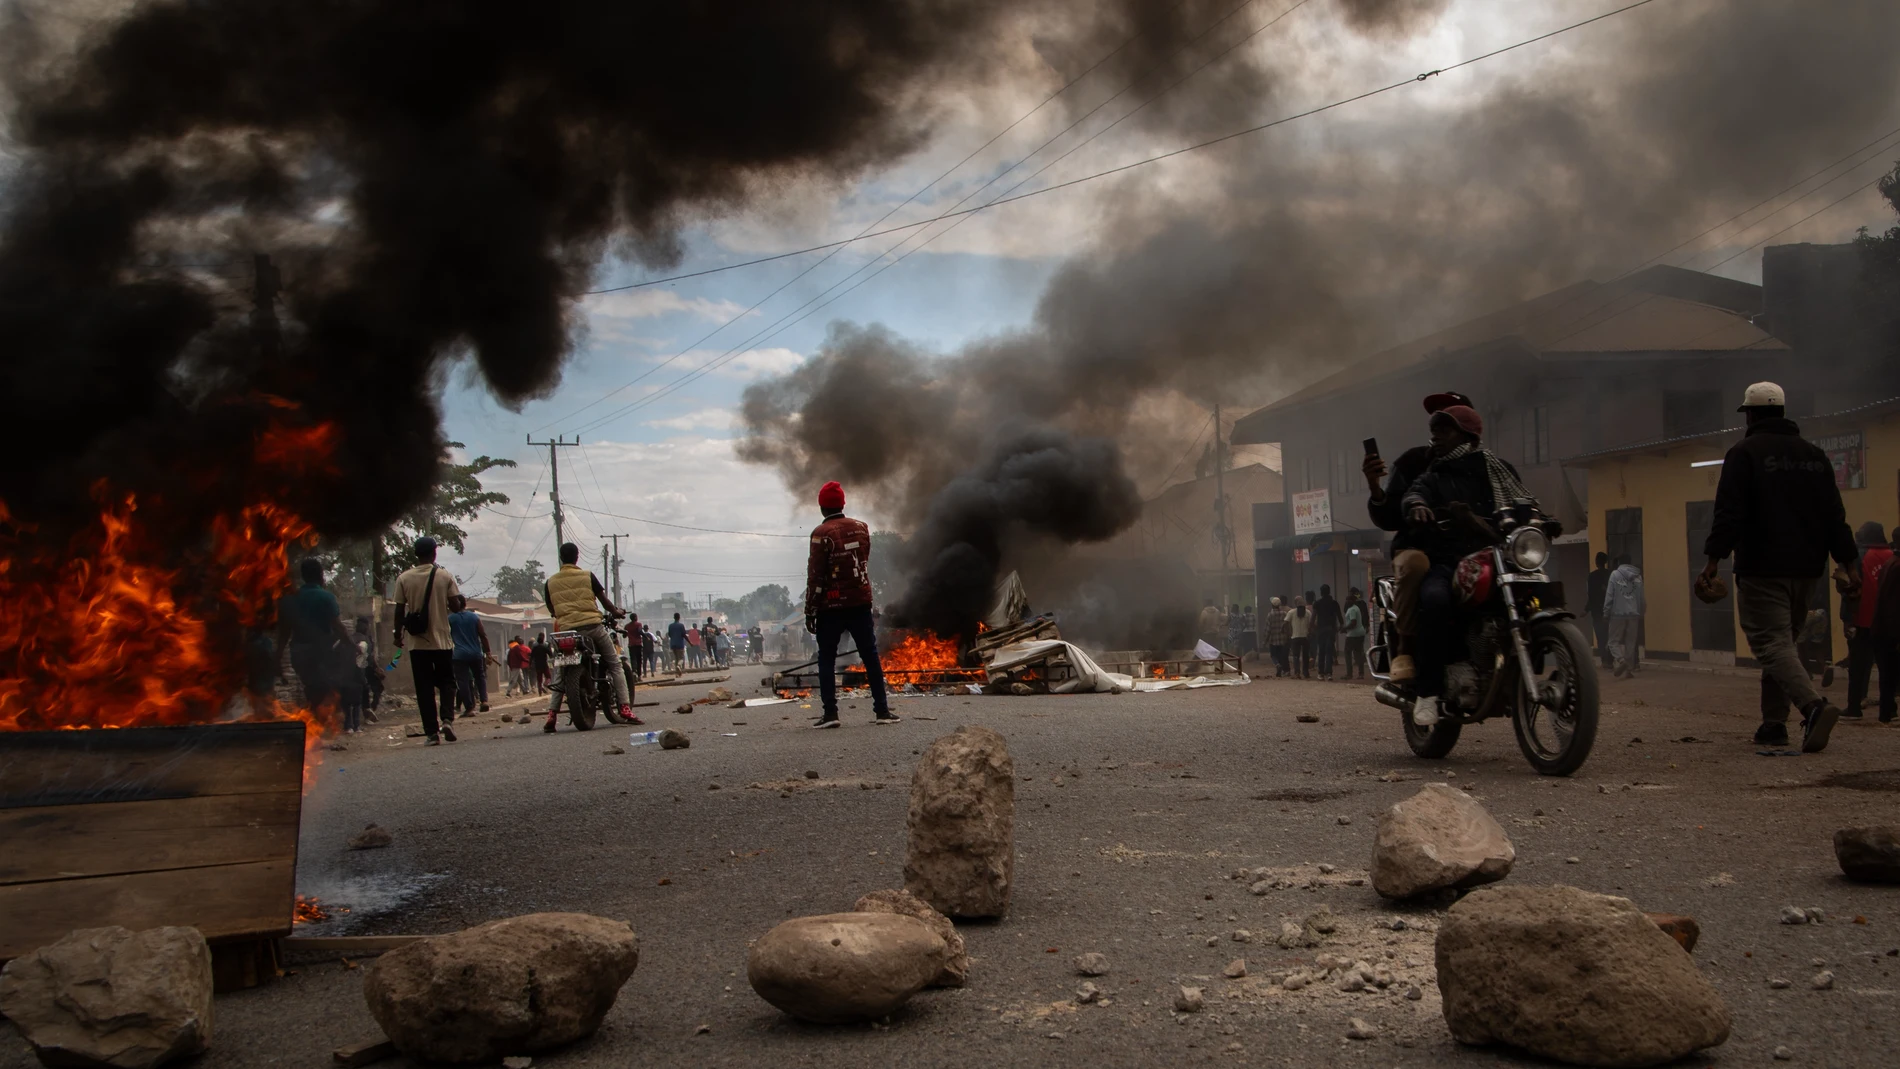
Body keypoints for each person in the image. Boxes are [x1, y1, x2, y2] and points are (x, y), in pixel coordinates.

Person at [1699, 381, 1859, 753]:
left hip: (1761, 568)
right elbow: (1835, 517)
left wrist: (1712, 561)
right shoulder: (1816, 456)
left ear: (1751, 415)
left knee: (1771, 644)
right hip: (1808, 570)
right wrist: (1850, 565)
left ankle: (1813, 707)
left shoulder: (1743, 453)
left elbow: (1729, 513)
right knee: (1784, 644)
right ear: (1783, 413)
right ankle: (1773, 724)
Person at [1401, 403, 1536, 713]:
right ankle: (1428, 693)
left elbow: (1523, 501)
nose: (1435, 438)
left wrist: (1543, 518)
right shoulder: (1434, 476)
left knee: (1534, 595)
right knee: (1435, 600)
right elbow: (1415, 492)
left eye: (1444, 431)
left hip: (1500, 557)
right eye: (1433, 432)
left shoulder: (1500, 470)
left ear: (1468, 436)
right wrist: (1417, 505)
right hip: (1448, 561)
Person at [1363, 390, 1474, 683]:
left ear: (1468, 428)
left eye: (1451, 418)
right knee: (1418, 570)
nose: (1439, 429)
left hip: (1472, 552)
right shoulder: (1416, 464)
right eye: (1437, 420)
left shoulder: (1487, 467)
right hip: (1424, 550)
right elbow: (1391, 515)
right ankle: (1406, 652)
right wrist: (1375, 488)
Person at [806, 480, 897, 727]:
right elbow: (862, 560)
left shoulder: (820, 534)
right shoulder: (861, 528)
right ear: (842, 503)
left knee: (827, 658)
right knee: (870, 655)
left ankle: (831, 714)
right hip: (860, 602)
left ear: (822, 507)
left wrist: (810, 610)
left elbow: (816, 576)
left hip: (830, 608)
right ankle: (882, 712)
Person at [541, 542, 633, 732]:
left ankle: (551, 714)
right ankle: (624, 708)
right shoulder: (586, 576)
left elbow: (552, 609)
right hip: (592, 627)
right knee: (615, 663)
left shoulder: (550, 582)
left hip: (566, 631)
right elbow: (604, 602)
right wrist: (616, 612)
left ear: (560, 558)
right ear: (577, 557)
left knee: (560, 670)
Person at [391, 537, 461, 745]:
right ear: (434, 553)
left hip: (417, 643)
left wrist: (397, 636)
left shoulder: (404, 578)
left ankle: (431, 733)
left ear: (416, 554)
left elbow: (398, 609)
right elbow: (456, 606)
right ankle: (447, 719)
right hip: (441, 641)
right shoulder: (444, 576)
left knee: (424, 688)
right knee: (448, 682)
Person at [276, 556, 353, 715]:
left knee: (312, 688)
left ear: (303, 576)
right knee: (327, 689)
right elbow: (338, 627)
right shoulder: (326, 597)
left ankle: (314, 722)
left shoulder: (290, 599)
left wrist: (277, 659)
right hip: (322, 654)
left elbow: (284, 634)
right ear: (320, 575)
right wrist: (353, 646)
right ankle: (320, 723)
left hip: (299, 654)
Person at [1842, 522, 1894, 721]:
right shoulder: (1892, 556)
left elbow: (1850, 591)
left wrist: (1847, 619)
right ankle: (1890, 710)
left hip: (1863, 621)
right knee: (1886, 667)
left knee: (1858, 667)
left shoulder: (1859, 556)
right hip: (1887, 623)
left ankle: (1854, 707)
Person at [447, 594, 492, 715]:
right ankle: (484, 701)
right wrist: (488, 652)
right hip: (476, 653)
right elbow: (483, 635)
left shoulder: (451, 619)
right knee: (480, 677)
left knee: (463, 681)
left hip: (459, 655)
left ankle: (469, 707)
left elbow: (446, 637)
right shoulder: (474, 617)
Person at [1605, 556, 1645, 678]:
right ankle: (1628, 670)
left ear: (1619, 563)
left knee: (1613, 641)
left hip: (1617, 614)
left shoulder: (1615, 574)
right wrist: (1641, 612)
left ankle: (1621, 661)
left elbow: (1610, 595)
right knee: (1631, 643)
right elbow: (1641, 598)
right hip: (1634, 614)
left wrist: (1606, 612)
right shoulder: (1638, 577)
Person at [1586, 551, 1614, 668]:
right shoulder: (1611, 574)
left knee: (1601, 638)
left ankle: (1604, 661)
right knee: (1611, 637)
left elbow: (1591, 595)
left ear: (1596, 562)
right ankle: (1611, 661)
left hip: (1597, 612)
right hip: (1611, 610)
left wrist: (1586, 609)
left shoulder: (1592, 576)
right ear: (1606, 562)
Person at [354, 618, 382, 723]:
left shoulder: (354, 638)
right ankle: (368, 711)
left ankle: (369, 710)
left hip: (358, 669)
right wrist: (376, 668)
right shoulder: (363, 639)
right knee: (368, 689)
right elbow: (368, 657)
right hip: (363, 669)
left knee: (368, 689)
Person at [1312, 585, 1342, 680]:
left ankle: (1321, 673)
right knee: (1329, 651)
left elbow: (1313, 617)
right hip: (1331, 629)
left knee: (1321, 651)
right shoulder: (1334, 603)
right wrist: (1340, 627)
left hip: (1321, 630)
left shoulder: (1317, 603)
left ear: (1321, 592)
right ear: (1329, 592)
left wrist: (1311, 627)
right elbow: (1340, 617)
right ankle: (1329, 673)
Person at [1341, 588, 1367, 680]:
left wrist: (1344, 628)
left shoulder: (1352, 609)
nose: (1347, 601)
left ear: (1353, 600)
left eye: (1349, 600)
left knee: (1347, 653)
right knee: (1359, 653)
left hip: (1352, 635)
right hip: (1360, 633)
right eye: (1347, 599)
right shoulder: (1356, 608)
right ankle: (1361, 674)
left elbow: (1353, 623)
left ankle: (1349, 674)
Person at [1263, 597, 1290, 676]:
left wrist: (1265, 641)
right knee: (1281, 655)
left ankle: (1277, 665)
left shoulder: (1270, 615)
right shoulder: (1284, 613)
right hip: (1283, 639)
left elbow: (1267, 629)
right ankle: (1282, 669)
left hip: (1273, 640)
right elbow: (1287, 627)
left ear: (1272, 605)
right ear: (1279, 605)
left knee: (1273, 655)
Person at [1287, 595, 1312, 679]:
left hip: (1295, 637)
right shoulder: (1308, 612)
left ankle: (1297, 672)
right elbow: (1311, 624)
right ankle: (1306, 672)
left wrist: (1288, 632)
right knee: (1305, 656)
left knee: (1296, 656)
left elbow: (1286, 622)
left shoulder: (1291, 612)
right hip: (1305, 637)